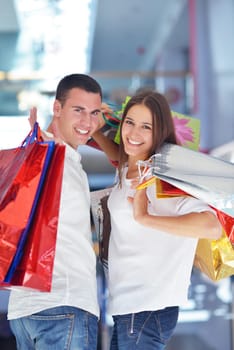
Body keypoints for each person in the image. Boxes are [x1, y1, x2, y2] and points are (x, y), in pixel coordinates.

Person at [92, 90, 222, 349]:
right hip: (129, 307)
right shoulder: (132, 169)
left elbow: (212, 226)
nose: (134, 133)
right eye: (129, 122)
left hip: (147, 307)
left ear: (159, 132)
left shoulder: (163, 179)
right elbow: (122, 156)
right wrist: (95, 127)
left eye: (146, 127)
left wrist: (145, 217)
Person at [7, 73, 103, 350]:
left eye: (94, 113)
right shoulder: (51, 155)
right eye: (78, 110)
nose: (88, 122)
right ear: (57, 109)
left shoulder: (59, 156)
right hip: (64, 306)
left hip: (27, 310)